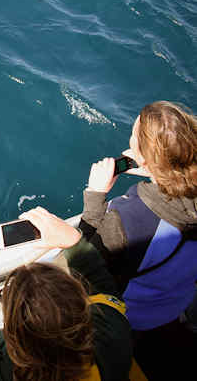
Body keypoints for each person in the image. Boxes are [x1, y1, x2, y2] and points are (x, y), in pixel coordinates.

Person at [0, 207, 133, 381]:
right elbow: (104, 288)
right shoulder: (112, 335)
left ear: (13, 334)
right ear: (82, 311)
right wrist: (74, 242)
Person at [80, 100, 197, 376]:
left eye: (134, 136)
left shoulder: (129, 218)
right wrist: (161, 173)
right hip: (176, 305)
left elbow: (83, 267)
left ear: (142, 157)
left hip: (131, 319)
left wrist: (95, 196)